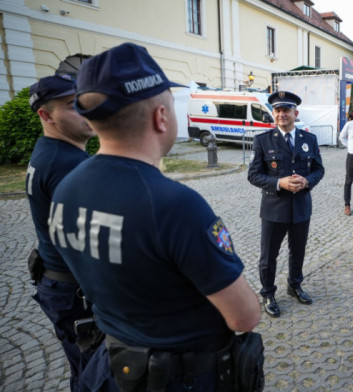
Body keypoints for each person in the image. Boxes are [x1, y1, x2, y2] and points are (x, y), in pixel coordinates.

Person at [49, 42, 261, 391]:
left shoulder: (66, 188)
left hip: (112, 367)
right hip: (181, 376)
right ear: (161, 117)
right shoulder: (174, 205)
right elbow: (245, 317)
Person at [25, 74, 97, 391]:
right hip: (75, 294)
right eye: (72, 105)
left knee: (82, 369)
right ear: (46, 114)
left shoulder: (51, 152)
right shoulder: (67, 164)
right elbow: (94, 243)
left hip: (57, 283)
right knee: (96, 375)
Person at [248, 91, 325, 318]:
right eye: (278, 110)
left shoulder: (309, 140)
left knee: (298, 251)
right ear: (273, 113)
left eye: (286, 110)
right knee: (269, 255)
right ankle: (268, 293)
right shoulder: (263, 140)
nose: (282, 114)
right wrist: (279, 182)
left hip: (301, 207)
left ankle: (294, 285)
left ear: (295, 113)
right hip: (274, 208)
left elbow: (319, 169)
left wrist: (307, 181)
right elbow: (253, 175)